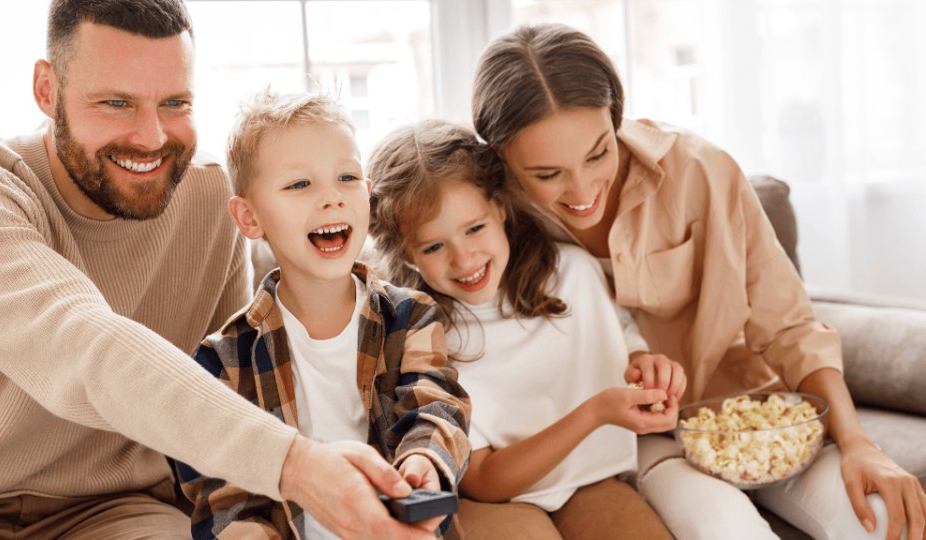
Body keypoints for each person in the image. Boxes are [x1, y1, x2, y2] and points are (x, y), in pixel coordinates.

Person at [0, 2, 448, 539]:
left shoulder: (209, 199)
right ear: (46, 89)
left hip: (121, 509)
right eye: (116, 102)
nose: (151, 137)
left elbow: (227, 386)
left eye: (175, 102)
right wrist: (299, 467)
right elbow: (79, 344)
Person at [470, 22, 926, 540]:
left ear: (615, 116)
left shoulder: (700, 172)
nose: (582, 190)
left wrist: (858, 442)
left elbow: (791, 329)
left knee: (886, 524)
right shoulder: (492, 224)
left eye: (599, 153)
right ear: (502, 160)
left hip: (755, 410)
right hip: (641, 443)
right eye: (548, 174)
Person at [176, 90, 473, 540]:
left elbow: (435, 408)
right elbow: (220, 495)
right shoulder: (222, 362)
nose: (332, 198)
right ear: (250, 218)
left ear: (367, 196)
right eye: (300, 184)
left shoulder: (411, 318)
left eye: (347, 177)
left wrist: (423, 462)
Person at [367, 118, 682, 540]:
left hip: (592, 480)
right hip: (488, 501)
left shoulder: (574, 274)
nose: (464, 259)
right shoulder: (419, 335)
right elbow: (486, 480)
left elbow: (624, 343)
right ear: (406, 253)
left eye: (475, 228)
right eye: (434, 246)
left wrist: (648, 368)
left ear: (501, 208)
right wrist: (598, 411)